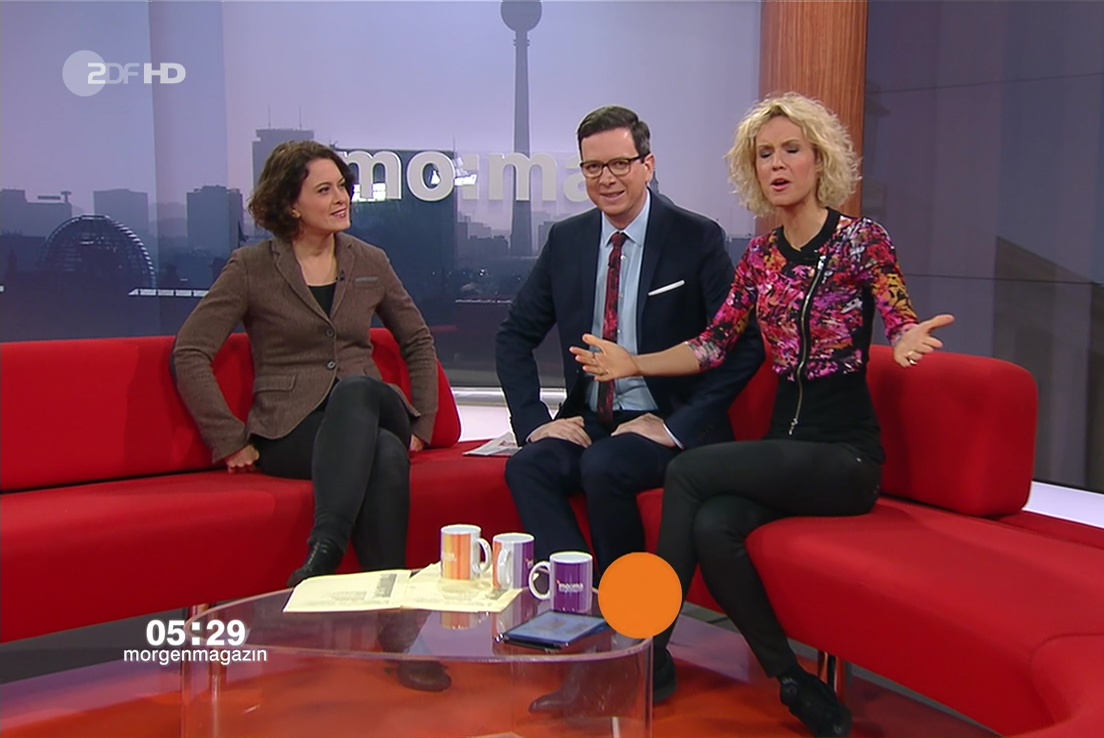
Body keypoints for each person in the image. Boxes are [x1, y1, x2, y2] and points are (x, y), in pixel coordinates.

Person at [573, 93, 955, 738]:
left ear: (819, 160)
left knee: (689, 472)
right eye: (765, 154)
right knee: (715, 524)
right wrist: (634, 363)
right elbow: (713, 345)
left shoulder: (861, 241)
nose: (777, 164)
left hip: (844, 455)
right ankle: (792, 681)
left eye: (791, 150)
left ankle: (646, 651)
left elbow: (898, 313)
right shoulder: (760, 256)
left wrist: (908, 335)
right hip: (787, 444)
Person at [495, 105, 765, 712]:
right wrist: (535, 424)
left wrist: (676, 426)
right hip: (595, 421)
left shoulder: (695, 238)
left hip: (670, 425)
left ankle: (644, 654)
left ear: (648, 164)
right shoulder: (567, 241)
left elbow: (742, 347)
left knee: (605, 467)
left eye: (620, 163)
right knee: (529, 466)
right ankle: (586, 624)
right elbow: (513, 336)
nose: (607, 179)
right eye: (593, 168)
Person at [172, 141, 448, 691]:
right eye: (325, 190)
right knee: (384, 456)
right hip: (292, 428)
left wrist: (423, 425)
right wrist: (229, 439)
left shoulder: (370, 261)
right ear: (290, 204)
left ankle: (324, 553)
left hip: (375, 408)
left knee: (361, 392)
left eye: (343, 186)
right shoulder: (252, 267)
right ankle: (398, 631)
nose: (342, 198)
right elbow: (190, 350)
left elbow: (417, 340)